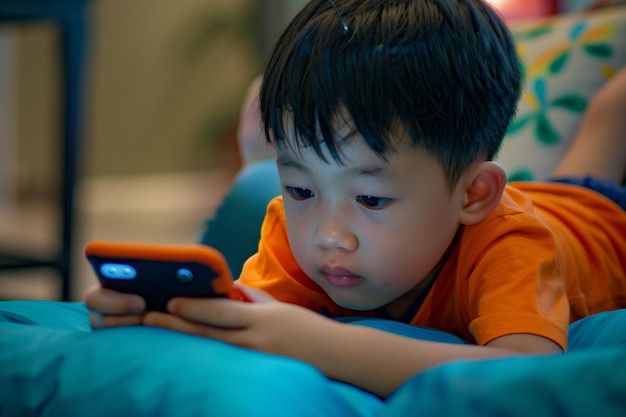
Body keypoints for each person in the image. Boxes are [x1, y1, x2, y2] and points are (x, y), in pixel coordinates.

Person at [85, 0, 626, 398]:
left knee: (609, 117)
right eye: (300, 188)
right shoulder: (297, 228)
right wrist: (166, 315)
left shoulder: (512, 247)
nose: (327, 233)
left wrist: (319, 342)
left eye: (369, 198)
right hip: (541, 196)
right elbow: (258, 314)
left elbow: (521, 374)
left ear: (473, 195)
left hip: (602, 222)